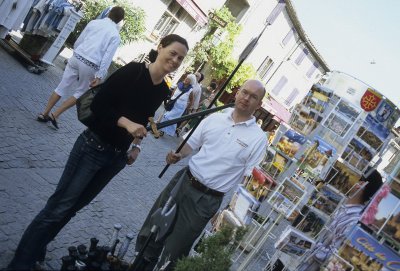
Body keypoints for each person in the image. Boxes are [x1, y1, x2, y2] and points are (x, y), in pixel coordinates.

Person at [7, 34, 189, 270]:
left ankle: (36, 249)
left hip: (116, 158)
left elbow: (143, 120)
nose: (175, 60)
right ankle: (20, 263)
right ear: (160, 47)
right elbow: (99, 104)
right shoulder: (133, 71)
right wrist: (126, 124)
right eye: (173, 53)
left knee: (72, 209)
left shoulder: (162, 91)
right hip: (93, 146)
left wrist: (135, 146)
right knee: (58, 207)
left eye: (180, 58)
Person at [134, 79, 268, 271]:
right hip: (183, 180)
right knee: (153, 231)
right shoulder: (215, 118)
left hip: (206, 199)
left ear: (259, 104)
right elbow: (191, 144)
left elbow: (247, 180)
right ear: (237, 93)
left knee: (176, 250)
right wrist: (178, 154)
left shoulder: (258, 139)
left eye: (253, 97)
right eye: (244, 92)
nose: (246, 98)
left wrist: (228, 211)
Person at [36, 6, 125, 129]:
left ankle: (44, 113)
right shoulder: (115, 35)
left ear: (109, 13)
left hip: (77, 56)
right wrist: (99, 76)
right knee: (81, 92)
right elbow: (107, 58)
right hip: (91, 64)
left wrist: (76, 53)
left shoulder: (94, 23)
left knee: (62, 86)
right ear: (120, 20)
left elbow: (79, 40)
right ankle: (55, 114)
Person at [297, 169, 383, 271]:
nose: (351, 179)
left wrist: (311, 244)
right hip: (303, 263)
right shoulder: (344, 205)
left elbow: (334, 255)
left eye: (356, 177)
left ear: (361, 184)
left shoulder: (354, 220)